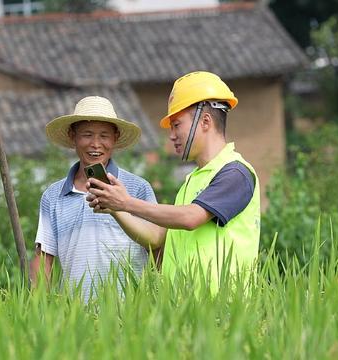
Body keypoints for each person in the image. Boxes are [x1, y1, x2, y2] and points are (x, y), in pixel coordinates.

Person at [86, 71, 260, 291]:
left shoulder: (235, 172)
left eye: (176, 125)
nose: (171, 135)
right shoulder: (193, 181)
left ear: (205, 121)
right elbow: (157, 237)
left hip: (222, 311)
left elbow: (190, 218)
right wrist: (115, 207)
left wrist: (126, 202)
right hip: (185, 309)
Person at [29, 96, 157, 299]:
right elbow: (44, 257)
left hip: (130, 311)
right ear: (73, 136)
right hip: (74, 312)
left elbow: (156, 245)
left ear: (115, 138)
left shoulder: (137, 188)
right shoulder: (53, 196)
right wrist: (37, 305)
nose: (95, 144)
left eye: (104, 136)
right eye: (87, 135)